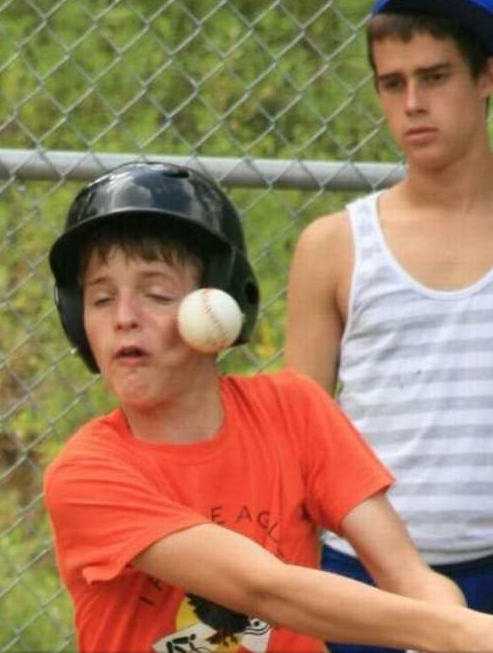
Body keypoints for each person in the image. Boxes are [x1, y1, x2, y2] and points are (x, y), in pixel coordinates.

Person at [44, 161, 493, 653]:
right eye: (101, 299)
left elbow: (407, 574)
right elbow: (261, 588)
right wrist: (456, 632)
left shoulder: (291, 410)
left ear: (220, 305)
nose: (124, 318)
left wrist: (453, 625)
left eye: (156, 293)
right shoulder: (86, 474)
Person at [285, 1, 493, 653]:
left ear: (486, 77)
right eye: (391, 83)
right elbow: (299, 439)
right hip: (363, 577)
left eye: (435, 77)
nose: (412, 104)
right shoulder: (335, 245)